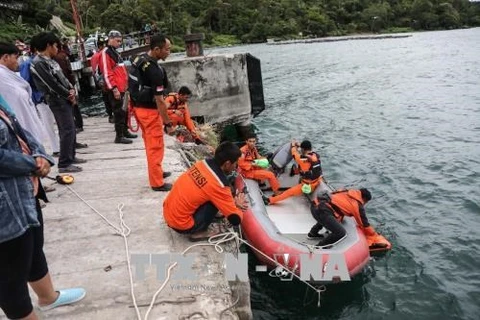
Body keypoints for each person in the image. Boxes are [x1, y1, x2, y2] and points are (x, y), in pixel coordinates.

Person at [0, 98, 86, 320]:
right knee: (10, 275)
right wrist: (32, 164)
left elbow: (19, 128)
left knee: (33, 245)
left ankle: (48, 297)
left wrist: (40, 155)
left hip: (25, 191)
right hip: (5, 204)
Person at [163, 141, 248, 241]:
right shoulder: (219, 185)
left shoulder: (201, 163)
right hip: (181, 225)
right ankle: (197, 233)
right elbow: (235, 220)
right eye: (235, 164)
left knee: (208, 195)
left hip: (168, 212)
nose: (236, 167)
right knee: (215, 202)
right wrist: (237, 206)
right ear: (227, 164)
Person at [30, 32, 85, 173]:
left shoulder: (51, 60)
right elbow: (51, 84)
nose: (57, 48)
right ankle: (64, 163)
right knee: (66, 130)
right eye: (55, 45)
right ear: (48, 45)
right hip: (57, 100)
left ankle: (71, 157)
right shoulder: (38, 63)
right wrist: (67, 94)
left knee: (71, 128)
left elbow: (63, 78)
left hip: (65, 98)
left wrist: (71, 90)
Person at [130, 34, 174, 191]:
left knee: (150, 142)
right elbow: (160, 101)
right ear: (156, 49)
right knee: (155, 145)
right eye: (167, 49)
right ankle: (157, 183)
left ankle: (158, 171)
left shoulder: (140, 58)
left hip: (138, 109)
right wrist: (168, 123)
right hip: (149, 112)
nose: (169, 52)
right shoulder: (155, 71)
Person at [0, 42, 49, 145]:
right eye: (16, 58)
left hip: (26, 128)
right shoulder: (2, 77)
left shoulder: (9, 75)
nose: (18, 62)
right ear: (6, 57)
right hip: (17, 132)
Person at [18, 36, 60, 157]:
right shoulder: (28, 64)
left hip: (49, 96)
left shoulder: (46, 61)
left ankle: (60, 145)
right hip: (41, 97)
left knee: (55, 121)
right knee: (48, 123)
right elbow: (25, 83)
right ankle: (55, 147)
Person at [309, 188, 390, 250]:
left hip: (314, 206)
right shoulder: (357, 205)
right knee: (340, 233)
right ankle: (319, 247)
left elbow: (337, 205)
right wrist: (374, 235)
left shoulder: (345, 192)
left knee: (328, 217)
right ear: (364, 199)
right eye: (366, 202)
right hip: (321, 211)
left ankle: (313, 233)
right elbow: (364, 224)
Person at [99, 30, 137, 144]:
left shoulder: (114, 52)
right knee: (119, 111)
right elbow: (107, 73)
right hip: (116, 88)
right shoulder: (106, 53)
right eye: (118, 41)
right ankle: (119, 136)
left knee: (125, 110)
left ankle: (124, 131)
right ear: (110, 39)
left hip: (123, 88)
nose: (119, 43)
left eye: (120, 41)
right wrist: (114, 88)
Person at [264, 140, 323, 205]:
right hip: (316, 182)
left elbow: (293, 153)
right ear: (311, 148)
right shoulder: (315, 156)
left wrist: (293, 145)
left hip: (307, 186)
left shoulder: (301, 159)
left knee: (288, 193)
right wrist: (299, 145)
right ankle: (295, 171)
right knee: (301, 169)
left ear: (303, 149)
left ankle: (269, 200)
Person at [53, 40, 84, 133]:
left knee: (72, 105)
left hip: (66, 83)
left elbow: (62, 73)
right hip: (70, 82)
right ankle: (79, 124)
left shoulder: (57, 58)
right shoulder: (64, 55)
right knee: (74, 104)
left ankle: (77, 124)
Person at [90, 38, 113, 123]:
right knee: (111, 99)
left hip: (100, 81)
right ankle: (112, 116)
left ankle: (110, 116)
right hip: (106, 80)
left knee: (106, 99)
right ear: (101, 46)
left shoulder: (94, 57)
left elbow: (94, 71)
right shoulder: (103, 55)